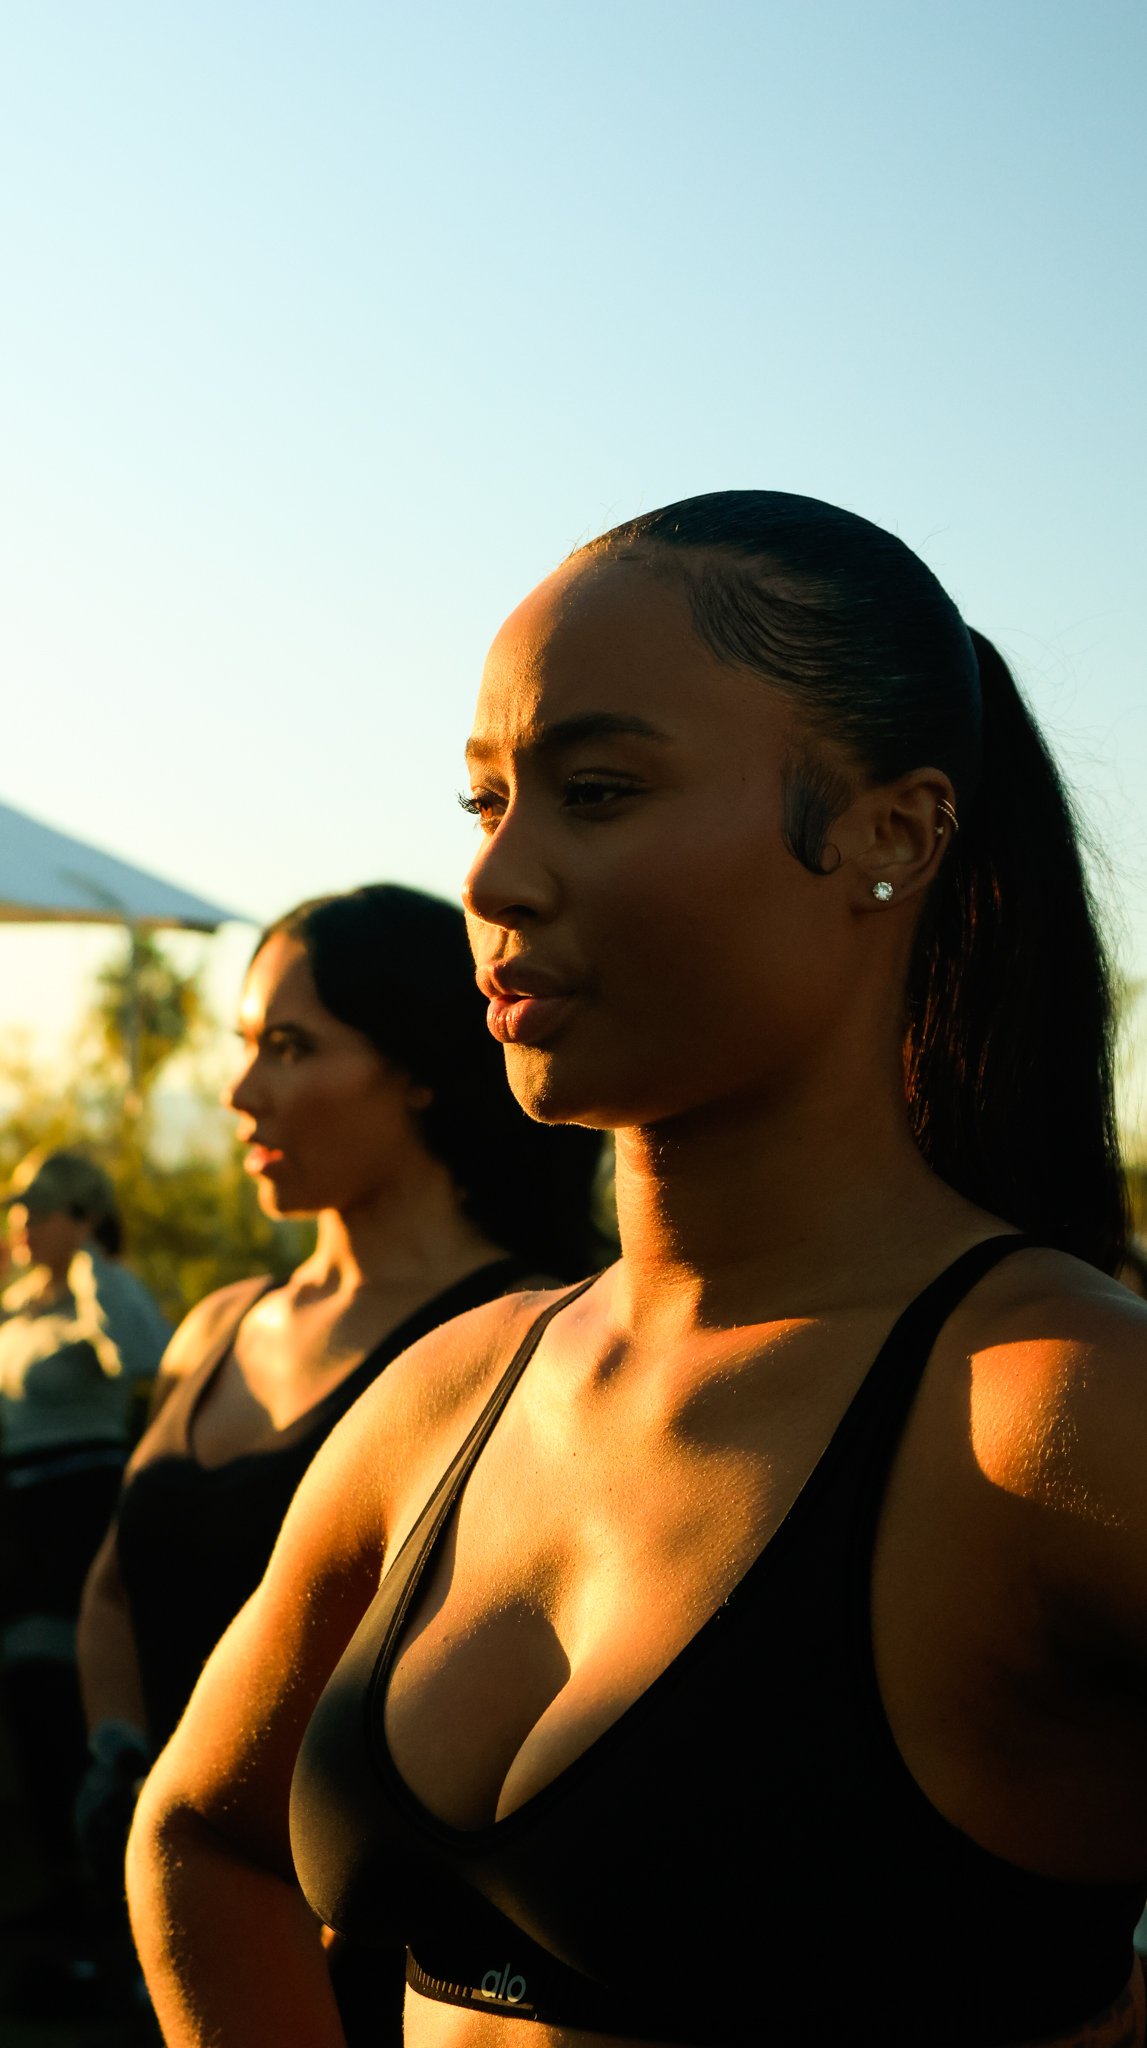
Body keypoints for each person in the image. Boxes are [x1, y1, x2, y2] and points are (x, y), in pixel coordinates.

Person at [127, 494, 1147, 2048]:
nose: (494, 883)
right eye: (484, 804)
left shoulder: (1049, 1416)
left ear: (890, 831)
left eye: (596, 791)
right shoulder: (455, 1389)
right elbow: (201, 1835)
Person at [77, 881, 603, 2034]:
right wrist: (119, 1754)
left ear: (415, 1064)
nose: (240, 1090)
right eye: (245, 1045)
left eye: (291, 1046)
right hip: (160, 1906)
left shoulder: (523, 1340)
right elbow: (118, 1580)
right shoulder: (217, 1323)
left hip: (355, 1964)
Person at [0, 1148, 170, 1906]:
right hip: (15, 1516)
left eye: (37, 1208)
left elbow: (144, 1354)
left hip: (75, 1515)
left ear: (81, 1217)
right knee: (23, 1688)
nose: (19, 1222)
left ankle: (100, 1890)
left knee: (61, 1687)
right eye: (17, 1207)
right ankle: (58, 1882)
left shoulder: (98, 1294)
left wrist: (90, 1261)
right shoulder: (15, 1304)